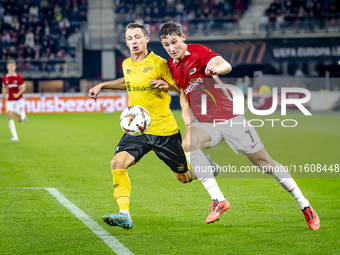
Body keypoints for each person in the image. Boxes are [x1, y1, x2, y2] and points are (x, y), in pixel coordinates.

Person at [157, 21, 320, 230]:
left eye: (174, 42)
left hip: (230, 119)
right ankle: (219, 200)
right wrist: (186, 115)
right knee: (187, 143)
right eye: (166, 45)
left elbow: (225, 64)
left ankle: (304, 204)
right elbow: (183, 91)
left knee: (266, 164)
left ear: (182, 38)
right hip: (207, 123)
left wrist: (217, 67)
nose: (172, 48)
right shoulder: (172, 65)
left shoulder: (200, 52)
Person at [88, 23, 221, 229]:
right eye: (130, 38)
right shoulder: (126, 64)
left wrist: (178, 101)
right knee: (117, 163)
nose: (134, 41)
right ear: (126, 42)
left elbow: (181, 88)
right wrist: (103, 85)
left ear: (146, 39)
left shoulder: (159, 63)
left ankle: (206, 167)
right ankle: (124, 213)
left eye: (137, 37)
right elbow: (128, 81)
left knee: (183, 178)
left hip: (164, 131)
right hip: (138, 129)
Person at [2, 60, 27, 142]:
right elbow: (4, 87)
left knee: (19, 120)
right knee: (9, 116)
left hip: (18, 100)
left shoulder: (18, 77)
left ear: (15, 67)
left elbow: (23, 88)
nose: (11, 67)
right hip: (9, 101)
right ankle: (15, 136)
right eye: (9, 66)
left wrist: (18, 93)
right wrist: (3, 95)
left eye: (12, 66)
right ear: (7, 67)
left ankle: (22, 114)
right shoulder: (5, 77)